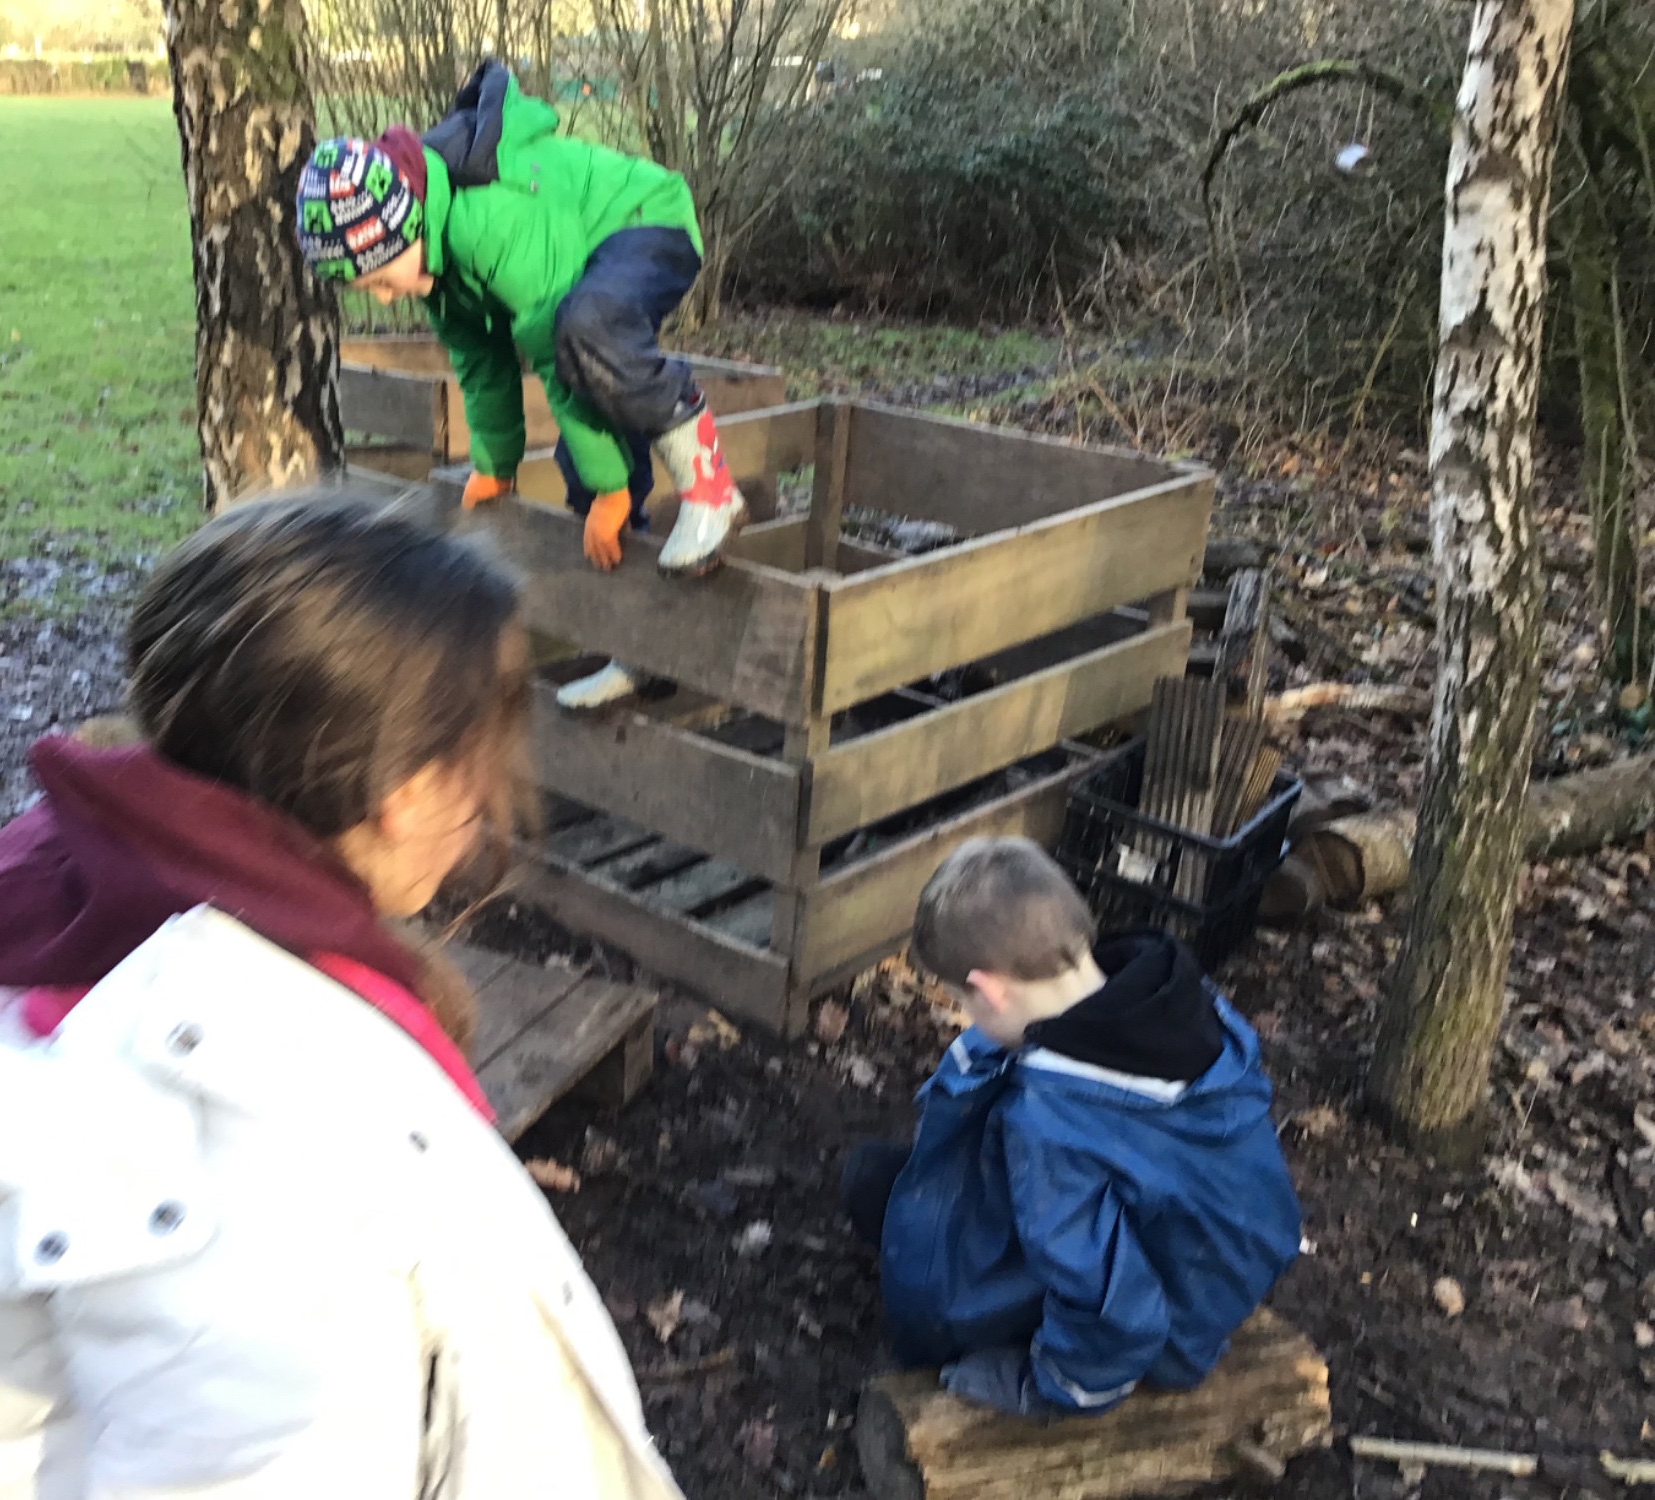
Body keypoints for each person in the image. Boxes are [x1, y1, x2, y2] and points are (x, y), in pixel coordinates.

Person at [0, 493, 688, 1500]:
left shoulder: (75, 925)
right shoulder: (254, 1159)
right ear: (409, 791)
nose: (488, 796)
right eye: (481, 760)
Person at [296, 58, 741, 711]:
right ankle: (642, 649)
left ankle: (711, 488)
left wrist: (613, 488)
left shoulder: (486, 220)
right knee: (582, 466)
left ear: (403, 227)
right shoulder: (437, 266)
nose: (386, 298)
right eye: (370, 290)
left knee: (585, 334)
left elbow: (551, 346)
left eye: (381, 279)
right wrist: (495, 465)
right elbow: (483, 365)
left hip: (644, 222)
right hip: (580, 275)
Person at [840, 837, 1302, 1419]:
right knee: (890, 1182)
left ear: (990, 991)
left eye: (964, 1003)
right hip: (1214, 1261)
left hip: (1167, 1329)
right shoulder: (1180, 1001)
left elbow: (1110, 1307)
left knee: (879, 1194)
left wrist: (1047, 1386)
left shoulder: (1050, 1127)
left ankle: (1047, 1367)